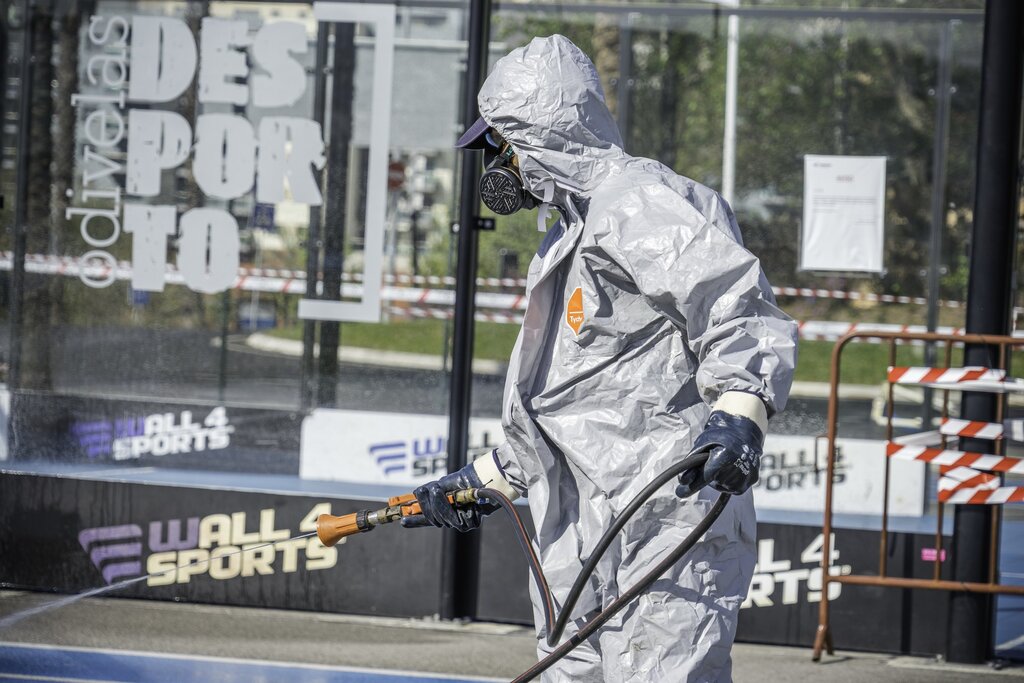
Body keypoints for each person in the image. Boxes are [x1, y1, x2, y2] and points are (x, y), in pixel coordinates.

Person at [403, 35, 798, 681]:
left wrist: (739, 413)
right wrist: (489, 478)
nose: (494, 167)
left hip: (662, 514)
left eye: (497, 147)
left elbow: (736, 306)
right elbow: (583, 395)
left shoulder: (637, 203)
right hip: (583, 526)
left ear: (533, 137)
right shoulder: (573, 231)